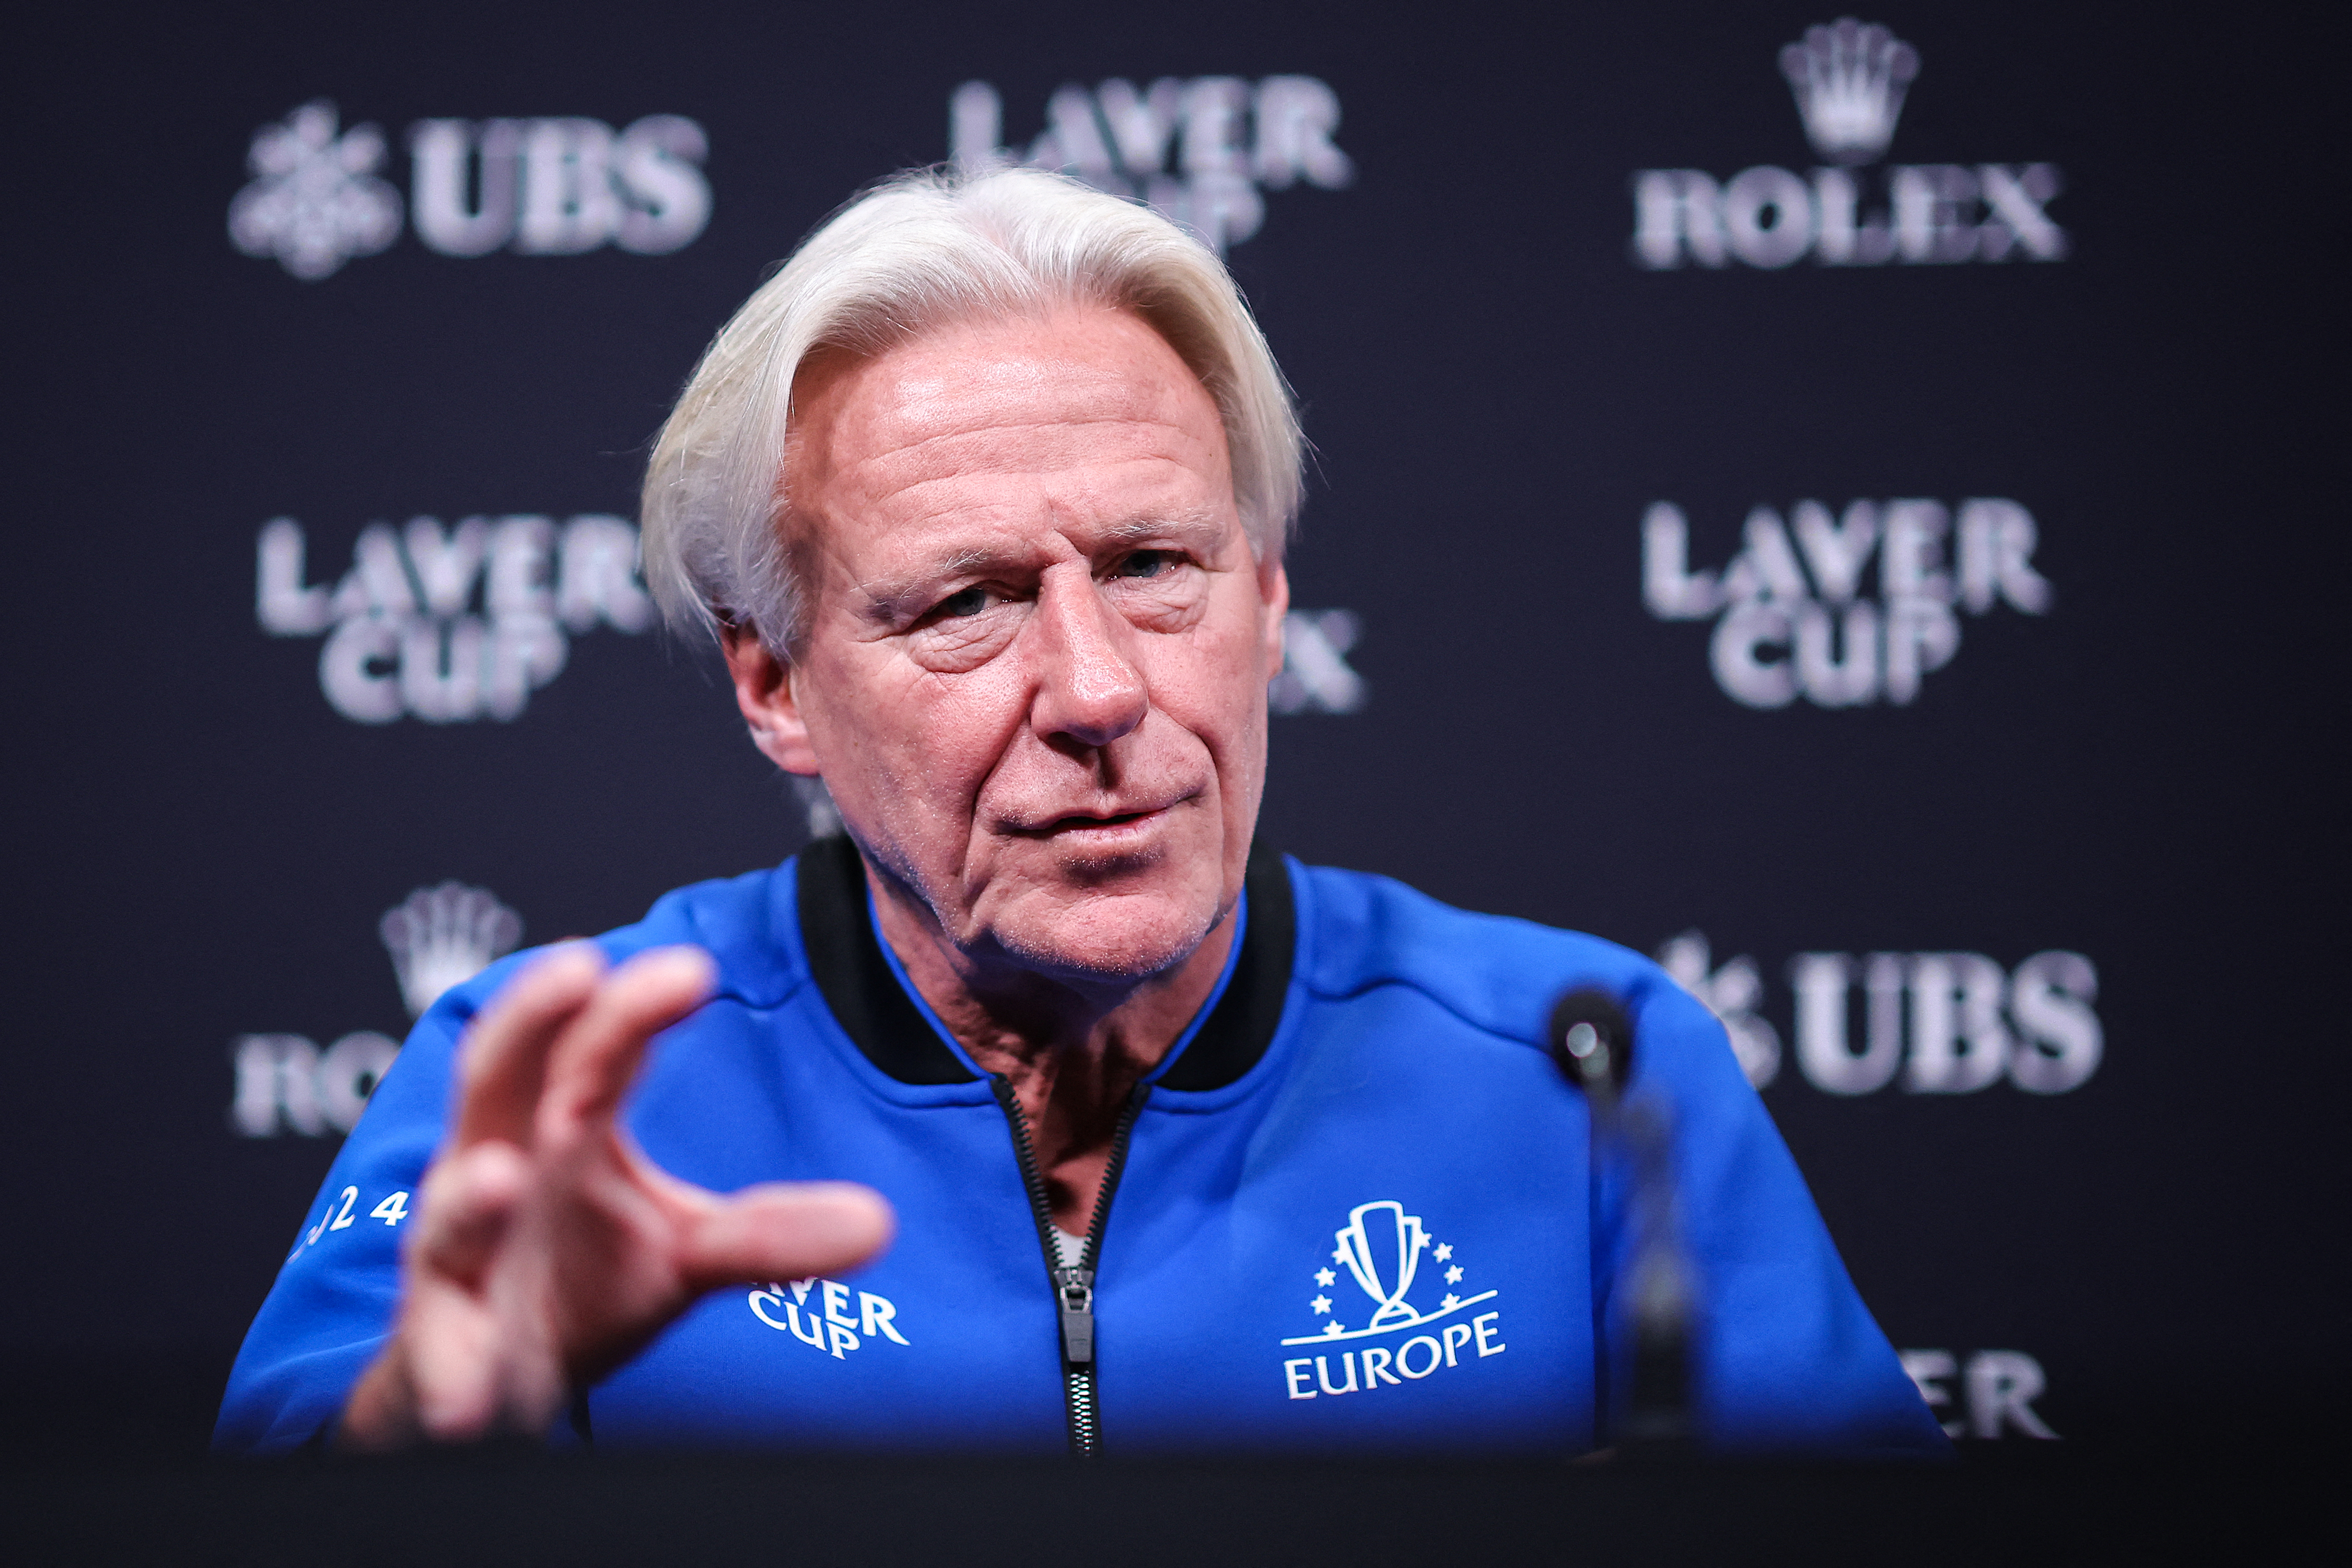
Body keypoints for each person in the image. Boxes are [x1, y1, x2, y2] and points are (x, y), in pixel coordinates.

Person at [216, 167, 1945, 1458]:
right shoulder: (552, 1084)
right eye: (964, 601)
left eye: (1153, 566)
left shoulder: (1591, 1071)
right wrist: (419, 1466)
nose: (1099, 689)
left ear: (1268, 598)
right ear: (776, 687)